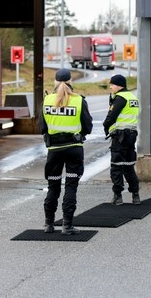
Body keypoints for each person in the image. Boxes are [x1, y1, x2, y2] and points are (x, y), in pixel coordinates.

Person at [38, 68, 93, 235]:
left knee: (53, 186)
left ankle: (48, 224)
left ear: (55, 82)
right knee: (71, 187)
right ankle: (67, 226)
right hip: (74, 149)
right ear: (71, 81)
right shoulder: (79, 101)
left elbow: (42, 127)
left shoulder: (47, 100)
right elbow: (88, 127)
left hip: (54, 150)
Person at [103, 74, 141, 205]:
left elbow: (111, 117)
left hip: (119, 137)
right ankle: (135, 195)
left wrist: (105, 126)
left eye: (112, 84)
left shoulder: (120, 98)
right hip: (131, 136)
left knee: (116, 167)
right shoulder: (132, 97)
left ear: (119, 85)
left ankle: (117, 196)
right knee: (129, 166)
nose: (110, 87)